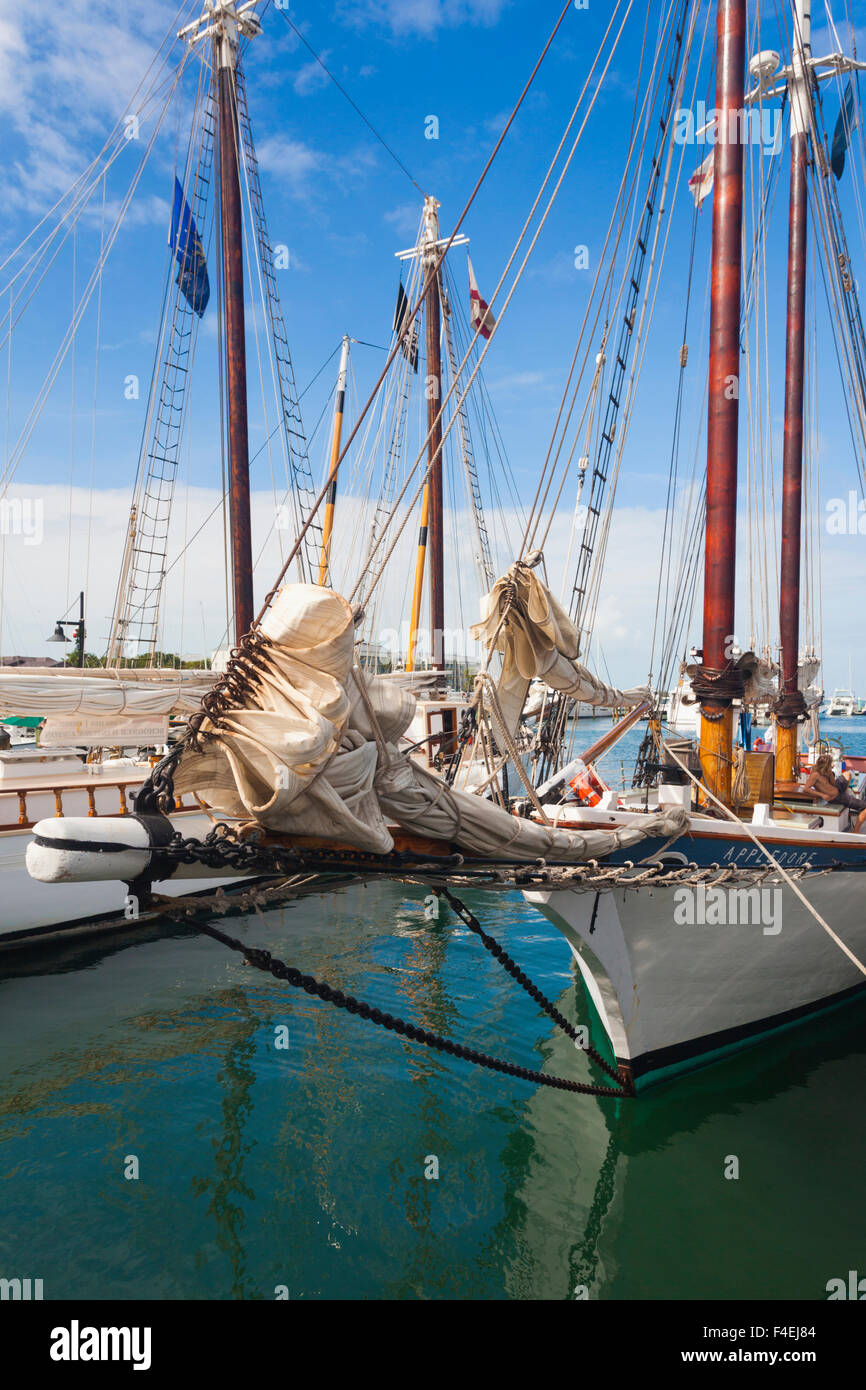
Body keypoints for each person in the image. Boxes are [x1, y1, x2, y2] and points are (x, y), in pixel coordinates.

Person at [803, 754, 866, 828]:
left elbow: (833, 784)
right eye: (830, 764)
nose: (831, 765)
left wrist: (830, 774)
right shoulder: (815, 775)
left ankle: (845, 792)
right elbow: (806, 789)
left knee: (848, 774)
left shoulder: (827, 771)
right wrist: (822, 795)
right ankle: (856, 831)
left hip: (837, 789)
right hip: (836, 797)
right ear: (826, 765)